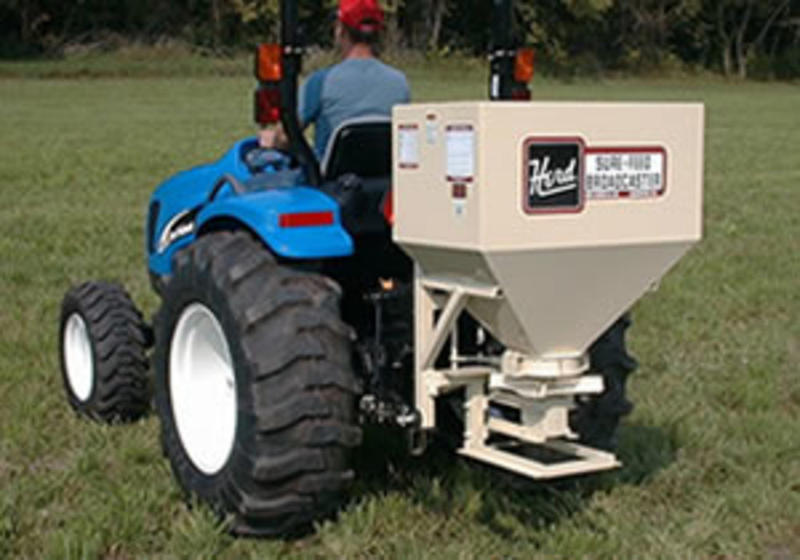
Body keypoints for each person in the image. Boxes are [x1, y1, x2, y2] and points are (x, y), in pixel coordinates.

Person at [259, 0, 411, 159]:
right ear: (379, 32)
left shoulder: (320, 82)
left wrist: (271, 138)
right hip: (382, 178)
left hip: (332, 181)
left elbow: (286, 136)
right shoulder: (399, 83)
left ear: (340, 30)